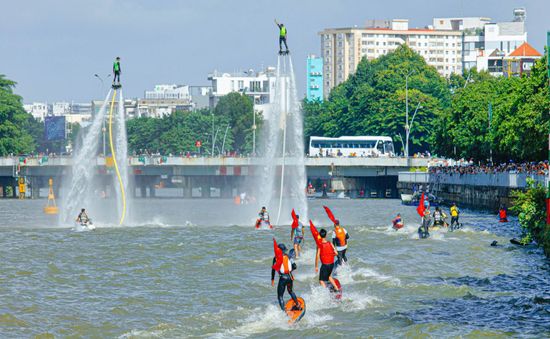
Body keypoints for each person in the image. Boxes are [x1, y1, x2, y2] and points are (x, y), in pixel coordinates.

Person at [271, 243, 301, 311]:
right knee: (290, 291)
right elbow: (295, 266)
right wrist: (289, 271)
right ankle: (298, 305)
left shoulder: (275, 258)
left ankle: (284, 313)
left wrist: (272, 279)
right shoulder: (289, 256)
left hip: (283, 278)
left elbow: (273, 269)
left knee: (280, 296)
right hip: (290, 277)